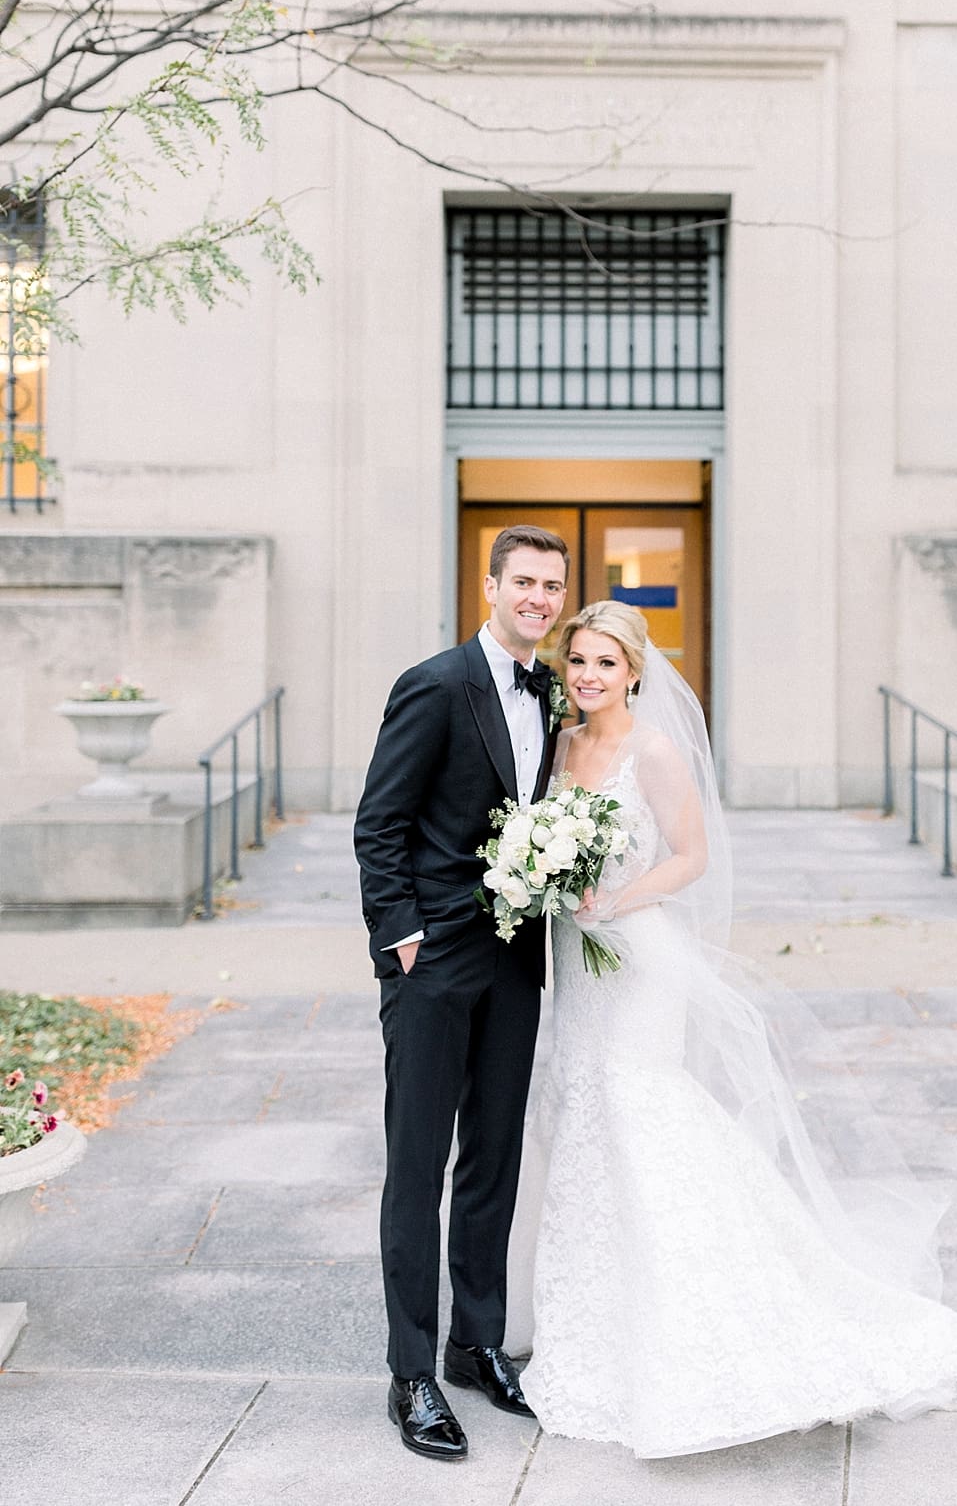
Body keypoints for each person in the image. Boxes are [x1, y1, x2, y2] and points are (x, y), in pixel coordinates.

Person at [511, 599, 957, 1459]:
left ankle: (701, 1316)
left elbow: (689, 855)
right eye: (577, 660)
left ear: (634, 671)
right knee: (581, 1111)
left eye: (605, 664)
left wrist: (615, 900)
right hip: (578, 967)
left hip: (636, 957)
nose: (588, 676)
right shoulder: (560, 744)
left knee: (641, 1110)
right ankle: (597, 1307)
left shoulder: (651, 750)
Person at [354, 525, 569, 1463]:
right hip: (433, 963)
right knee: (418, 1161)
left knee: (493, 1154)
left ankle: (475, 1341)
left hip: (518, 962)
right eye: (523, 581)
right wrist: (401, 939)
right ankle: (411, 1373)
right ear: (489, 587)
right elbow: (380, 823)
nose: (538, 598)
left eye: (552, 585)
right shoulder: (436, 684)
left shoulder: (555, 693)